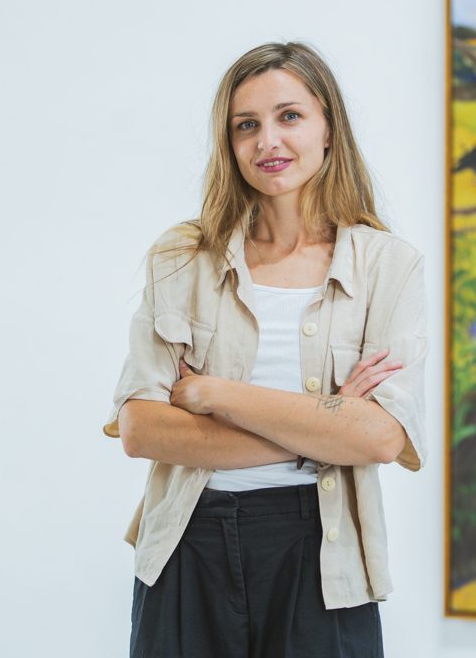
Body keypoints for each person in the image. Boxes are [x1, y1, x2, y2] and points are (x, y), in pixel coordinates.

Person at [103, 42, 427, 658]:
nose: (267, 141)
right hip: (187, 541)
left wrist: (213, 394)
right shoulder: (181, 257)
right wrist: (325, 429)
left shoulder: (389, 266)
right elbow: (141, 429)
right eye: (245, 125)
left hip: (322, 548)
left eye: (290, 116)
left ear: (329, 127)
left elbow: (383, 438)